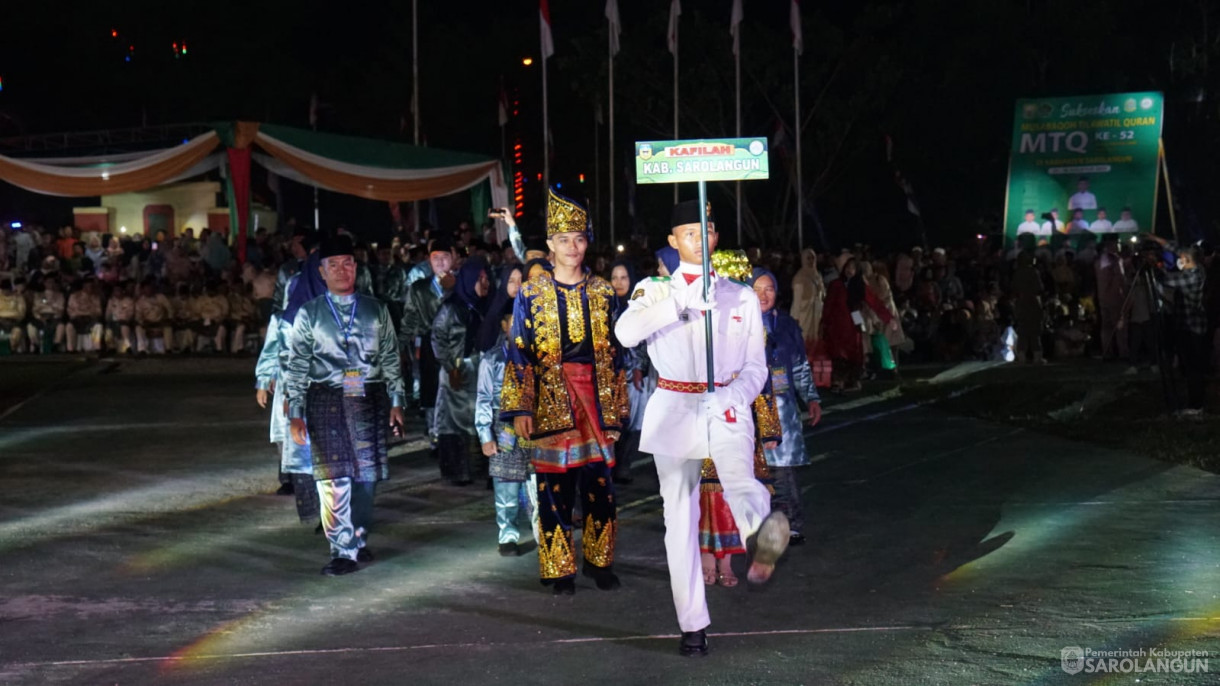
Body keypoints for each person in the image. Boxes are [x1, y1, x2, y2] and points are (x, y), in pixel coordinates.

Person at [615, 199, 792, 657]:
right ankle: (692, 623)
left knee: (739, 478)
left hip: (725, 402)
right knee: (680, 519)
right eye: (692, 232)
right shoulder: (653, 291)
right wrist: (679, 303)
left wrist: (731, 396)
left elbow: (756, 366)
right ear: (673, 241)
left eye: (709, 230)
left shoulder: (741, 295)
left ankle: (762, 531)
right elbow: (625, 334)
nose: (703, 238)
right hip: (675, 404)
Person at [501, 188, 629, 596]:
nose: (572, 247)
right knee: (554, 487)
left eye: (579, 239)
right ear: (550, 246)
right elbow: (518, 352)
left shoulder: (604, 292)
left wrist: (618, 406)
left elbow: (618, 353)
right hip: (551, 397)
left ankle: (600, 561)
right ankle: (558, 568)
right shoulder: (530, 294)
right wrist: (520, 407)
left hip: (595, 397)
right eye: (563, 240)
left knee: (600, 485)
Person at [285, 234, 407, 576]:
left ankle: (357, 535)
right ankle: (340, 547)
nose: (342, 270)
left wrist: (398, 402)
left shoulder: (376, 309)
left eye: (348, 263)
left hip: (368, 397)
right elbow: (297, 366)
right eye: (333, 265)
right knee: (333, 478)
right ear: (322, 272)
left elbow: (390, 358)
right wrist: (295, 413)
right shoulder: (309, 313)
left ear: (356, 267)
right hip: (326, 398)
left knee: (366, 478)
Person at [750, 268, 823, 544]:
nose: (763, 295)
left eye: (769, 288)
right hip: (749, 408)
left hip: (782, 409)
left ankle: (789, 523)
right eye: (757, 289)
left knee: (782, 471)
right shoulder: (737, 325)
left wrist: (812, 398)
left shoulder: (788, 326)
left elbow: (801, 367)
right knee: (749, 469)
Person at [474, 264, 531, 555]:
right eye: (513, 319)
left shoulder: (538, 355)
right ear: (504, 324)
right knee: (506, 484)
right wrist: (485, 434)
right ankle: (507, 534)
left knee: (536, 483)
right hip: (504, 425)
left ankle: (543, 529)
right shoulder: (493, 359)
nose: (518, 324)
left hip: (534, 425)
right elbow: (483, 398)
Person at [432, 256, 492, 485]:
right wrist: (449, 367)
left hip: (481, 369)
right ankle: (458, 471)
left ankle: (484, 470)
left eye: (487, 277)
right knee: (455, 422)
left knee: (482, 418)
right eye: (480, 278)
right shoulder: (451, 307)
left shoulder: (487, 306)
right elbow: (438, 339)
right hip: (457, 371)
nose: (485, 282)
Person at [402, 237, 456, 439]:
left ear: (453, 258)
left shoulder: (461, 285)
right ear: (429, 260)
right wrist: (401, 346)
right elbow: (409, 318)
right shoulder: (419, 288)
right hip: (429, 344)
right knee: (431, 389)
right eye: (436, 258)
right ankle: (435, 434)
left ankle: (454, 432)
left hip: (456, 345)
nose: (440, 262)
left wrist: (452, 288)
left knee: (455, 388)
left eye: (445, 257)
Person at [1148, 236, 1207, 415]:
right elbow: (1175, 248)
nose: (1179, 259)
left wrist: (1154, 266)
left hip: (1192, 328)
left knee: (1193, 368)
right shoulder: (1195, 267)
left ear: (1188, 261)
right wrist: (1155, 239)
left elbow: (1167, 280)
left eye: (1182, 258)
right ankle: (1192, 402)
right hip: (1187, 325)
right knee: (1188, 367)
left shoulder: (1193, 276)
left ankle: (1196, 406)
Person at [822, 256, 895, 393]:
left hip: (854, 323)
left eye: (853, 268)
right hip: (838, 325)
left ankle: (852, 381)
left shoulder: (859, 285)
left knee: (854, 352)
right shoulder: (836, 285)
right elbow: (828, 306)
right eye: (848, 267)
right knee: (839, 353)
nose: (850, 271)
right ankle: (838, 381)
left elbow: (874, 302)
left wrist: (888, 318)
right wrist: (825, 323)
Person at [609, 258, 651, 484]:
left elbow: (645, 341)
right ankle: (612, 465)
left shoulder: (638, 306)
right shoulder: (604, 306)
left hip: (633, 375)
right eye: (614, 277)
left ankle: (623, 465)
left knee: (633, 422)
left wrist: (640, 368)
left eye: (623, 277)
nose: (618, 282)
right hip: (610, 375)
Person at [1095, 237, 1128, 360]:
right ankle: (1123, 352)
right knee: (1120, 326)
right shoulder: (1115, 260)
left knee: (1106, 327)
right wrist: (1125, 292)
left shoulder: (1098, 260)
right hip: (1115, 297)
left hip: (1102, 297)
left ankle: (1107, 352)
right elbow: (1120, 278)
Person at [790, 248, 826, 357]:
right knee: (803, 341)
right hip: (804, 315)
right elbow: (797, 301)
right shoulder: (800, 278)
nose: (810, 261)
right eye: (808, 258)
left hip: (817, 314)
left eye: (812, 258)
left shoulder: (817, 275)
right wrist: (794, 320)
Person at [1010, 252, 1045, 364]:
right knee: (1035, 331)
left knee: (1023, 331)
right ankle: (1037, 356)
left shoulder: (1017, 273)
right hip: (1033, 303)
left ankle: (1021, 356)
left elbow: (1013, 289)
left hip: (1021, 303)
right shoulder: (1033, 272)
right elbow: (1039, 288)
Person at [134, 279, 173, 355]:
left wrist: (168, 318)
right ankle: (142, 350)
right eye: (147, 288)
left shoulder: (161, 297)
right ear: (143, 290)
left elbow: (169, 309)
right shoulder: (140, 301)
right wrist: (143, 322)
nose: (149, 290)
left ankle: (168, 349)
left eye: (150, 288)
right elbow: (138, 316)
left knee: (168, 327)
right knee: (138, 328)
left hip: (161, 322)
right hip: (148, 324)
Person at [27, 277, 65, 353]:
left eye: (52, 282)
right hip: (41, 317)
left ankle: (56, 345)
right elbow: (35, 309)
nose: (50, 284)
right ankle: (36, 345)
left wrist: (51, 306)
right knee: (31, 326)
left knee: (61, 326)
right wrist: (40, 317)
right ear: (44, 283)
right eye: (48, 282)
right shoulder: (38, 295)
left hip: (54, 317)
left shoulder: (60, 295)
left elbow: (60, 309)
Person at [66, 278, 104, 353]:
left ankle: (97, 348)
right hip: (77, 319)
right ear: (84, 286)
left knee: (98, 326)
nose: (90, 288)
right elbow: (70, 311)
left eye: (91, 286)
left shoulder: (95, 297)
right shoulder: (74, 296)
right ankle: (71, 349)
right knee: (69, 326)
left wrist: (84, 312)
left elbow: (99, 312)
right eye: (88, 286)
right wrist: (84, 312)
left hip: (91, 319)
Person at [0, 279, 27, 353]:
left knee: (17, 332)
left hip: (14, 321)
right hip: (1, 321)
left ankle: (11, 350)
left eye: (7, 290)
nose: (5, 292)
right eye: (3, 290)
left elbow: (22, 312)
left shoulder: (18, 297)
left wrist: (16, 318)